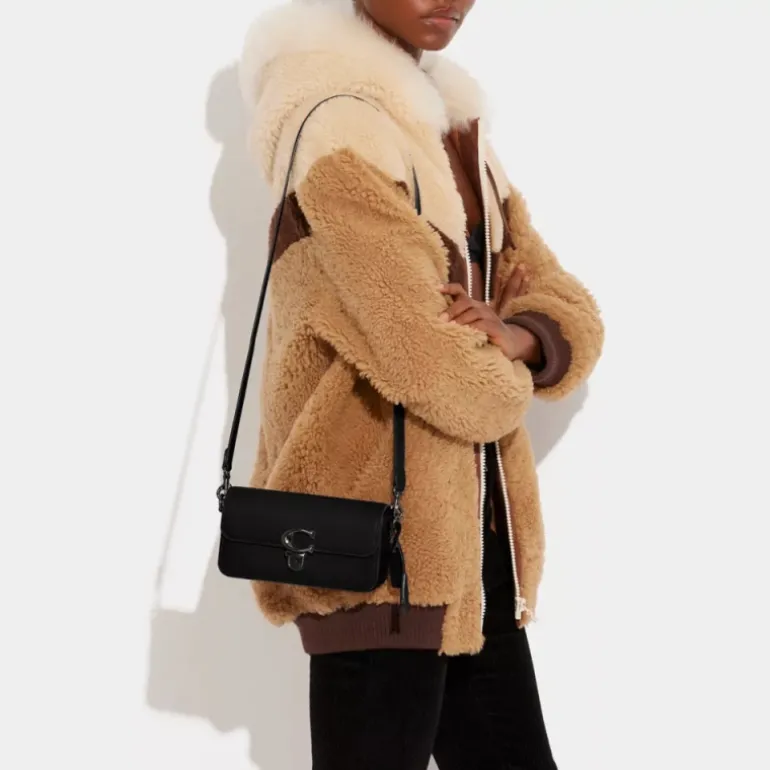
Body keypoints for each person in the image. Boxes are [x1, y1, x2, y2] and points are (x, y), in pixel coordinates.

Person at [238, 1, 604, 767]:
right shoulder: (336, 126)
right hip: (379, 554)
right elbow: (437, 366)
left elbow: (563, 300)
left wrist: (519, 333)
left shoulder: (455, 132)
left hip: (476, 551)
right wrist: (510, 364)